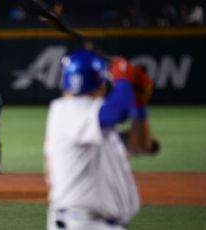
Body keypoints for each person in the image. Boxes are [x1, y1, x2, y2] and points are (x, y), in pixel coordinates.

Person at [45, 49, 156, 230]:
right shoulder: (67, 111)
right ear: (102, 85)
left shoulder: (92, 118)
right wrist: (123, 78)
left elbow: (141, 144)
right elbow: (116, 112)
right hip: (82, 222)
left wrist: (139, 102)